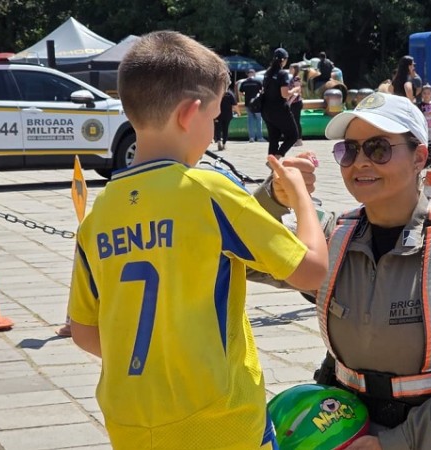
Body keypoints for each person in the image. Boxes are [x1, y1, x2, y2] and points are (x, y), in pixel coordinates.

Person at [67, 31, 329, 450]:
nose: (214, 128)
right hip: (221, 418)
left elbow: (82, 331)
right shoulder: (208, 189)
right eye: (214, 117)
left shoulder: (98, 215)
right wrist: (300, 196)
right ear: (190, 114)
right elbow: (313, 271)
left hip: (129, 421)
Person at [254, 92, 431, 449]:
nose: (360, 162)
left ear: (420, 157)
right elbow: (239, 255)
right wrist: (274, 195)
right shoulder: (331, 239)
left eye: (378, 148)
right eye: (349, 150)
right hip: (344, 426)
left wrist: (396, 443)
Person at [262, 48, 299, 158]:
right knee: (293, 136)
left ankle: (273, 169)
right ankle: (276, 158)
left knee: (274, 138)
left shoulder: (267, 73)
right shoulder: (282, 73)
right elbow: (284, 94)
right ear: (283, 60)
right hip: (279, 109)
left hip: (266, 109)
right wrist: (295, 90)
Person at [239, 69, 265, 142]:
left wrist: (246, 95)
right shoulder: (258, 82)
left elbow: (241, 93)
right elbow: (262, 91)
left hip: (248, 103)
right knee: (259, 120)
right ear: (254, 74)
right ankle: (260, 137)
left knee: (250, 120)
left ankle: (251, 137)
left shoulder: (244, 83)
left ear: (248, 74)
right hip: (257, 104)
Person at [213, 85, 239, 150]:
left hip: (218, 114)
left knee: (217, 128)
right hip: (227, 115)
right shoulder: (230, 94)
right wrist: (238, 113)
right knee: (225, 129)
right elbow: (235, 105)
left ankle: (219, 141)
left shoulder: (216, 93)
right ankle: (224, 144)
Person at [288, 63, 304, 147]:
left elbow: (297, 92)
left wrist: (290, 101)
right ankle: (296, 139)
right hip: (293, 103)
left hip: (296, 103)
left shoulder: (296, 78)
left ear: (295, 69)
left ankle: (299, 140)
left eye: (291, 68)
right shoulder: (292, 78)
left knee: (296, 122)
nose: (289, 69)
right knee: (294, 121)